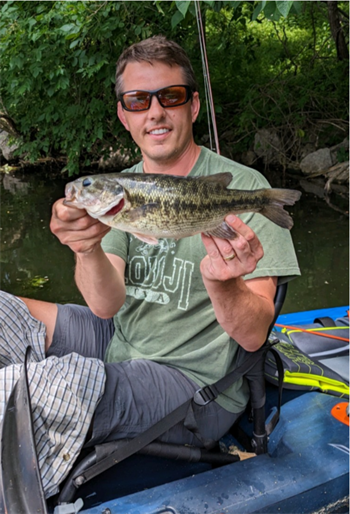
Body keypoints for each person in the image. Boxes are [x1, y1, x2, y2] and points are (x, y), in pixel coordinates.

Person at [0, 35, 300, 499]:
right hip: (123, 337)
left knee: (30, 389)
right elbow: (105, 306)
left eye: (170, 97)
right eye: (138, 100)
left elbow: (254, 335)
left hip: (193, 380)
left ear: (193, 106)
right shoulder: (126, 191)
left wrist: (223, 285)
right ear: (124, 114)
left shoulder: (245, 187)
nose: (155, 112)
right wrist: (86, 249)